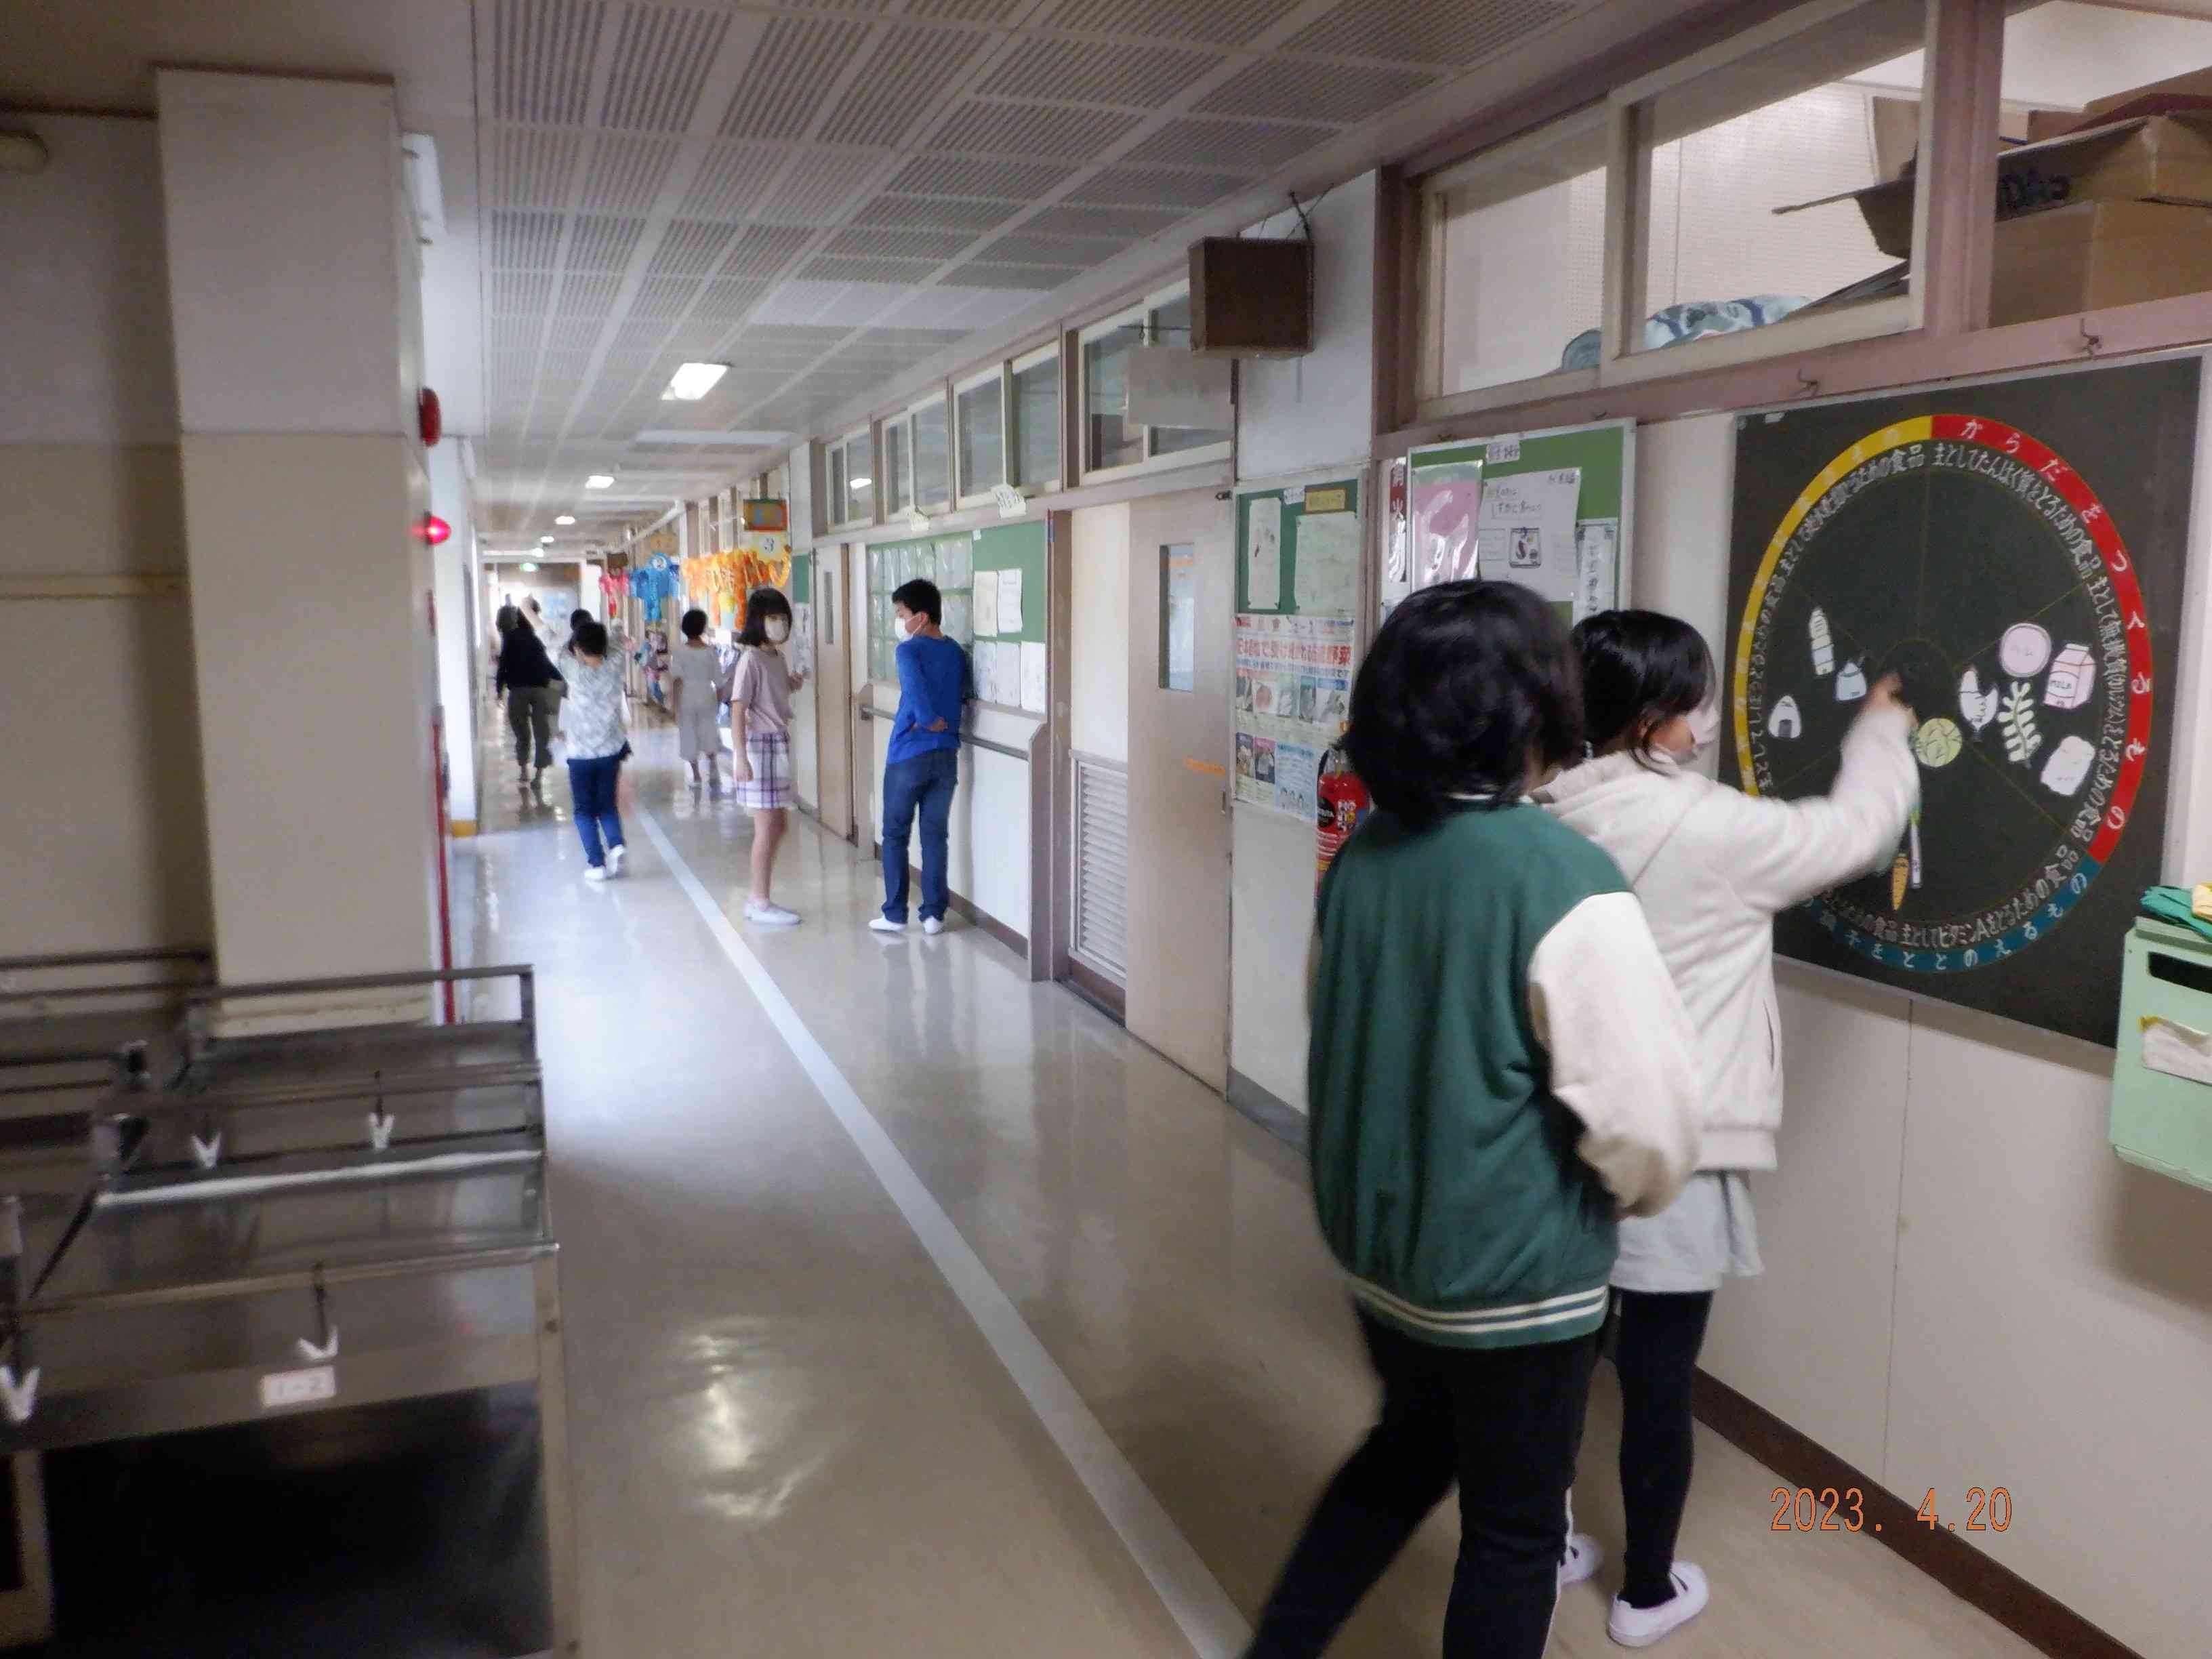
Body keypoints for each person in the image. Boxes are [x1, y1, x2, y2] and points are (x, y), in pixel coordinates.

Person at [1247, 582, 1702, 1659]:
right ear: (1536, 709)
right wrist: (1626, 1200)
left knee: (1404, 1454)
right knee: (1514, 1531)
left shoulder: (1365, 855)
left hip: (1384, 1260)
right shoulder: (1563, 876)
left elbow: (1333, 1023)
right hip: (1518, 1283)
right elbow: (1649, 1121)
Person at [1534, 610, 1917, 1647]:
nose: (1707, 721)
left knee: (1562, 1360)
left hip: (1562, 1136)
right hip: (1679, 1146)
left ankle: (1547, 1544)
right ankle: (1646, 1592)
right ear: (1653, 718)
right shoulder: (1711, 828)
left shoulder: (1546, 815)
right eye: (1694, 702)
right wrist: (1880, 729)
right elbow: (1853, 834)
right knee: (1658, 1383)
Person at [870, 579, 969, 937]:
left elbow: (915, 693)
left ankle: (895, 914)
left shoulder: (908, 651)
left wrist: (925, 720)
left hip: (909, 755)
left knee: (895, 833)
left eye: (902, 614)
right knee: (935, 835)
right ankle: (933, 916)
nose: (899, 621)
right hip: (946, 755)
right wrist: (940, 725)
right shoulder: (956, 652)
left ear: (922, 617)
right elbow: (958, 696)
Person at [729, 587, 806, 926]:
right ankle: (759, 902)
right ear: (758, 621)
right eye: (773, 617)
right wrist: (740, 757)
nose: (779, 624)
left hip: (778, 742)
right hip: (759, 747)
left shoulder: (776, 657)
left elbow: (771, 693)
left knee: (778, 824)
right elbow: (738, 708)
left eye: (783, 618)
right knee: (767, 826)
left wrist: (791, 684)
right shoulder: (750, 659)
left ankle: (759, 897)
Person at [560, 619, 630, 882]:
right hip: (610, 750)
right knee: (607, 805)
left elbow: (551, 643)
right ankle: (616, 843)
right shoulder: (616, 663)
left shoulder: (573, 671)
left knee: (583, 811)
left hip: (580, 754)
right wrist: (616, 623)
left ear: (578, 649)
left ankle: (597, 864)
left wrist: (526, 610)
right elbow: (617, 638)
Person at [494, 606, 563, 788]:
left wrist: (499, 689)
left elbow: (504, 664)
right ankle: (539, 776)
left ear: (517, 619)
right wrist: (561, 680)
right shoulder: (537, 638)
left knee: (521, 733)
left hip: (518, 690)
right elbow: (547, 663)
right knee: (542, 733)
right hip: (540, 690)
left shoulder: (510, 638)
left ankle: (524, 770)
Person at [668, 608, 726, 793]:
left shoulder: (679, 651)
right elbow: (719, 682)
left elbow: (677, 680)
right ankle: (714, 768)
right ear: (702, 627)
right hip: (707, 695)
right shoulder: (710, 652)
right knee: (709, 731)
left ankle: (696, 776)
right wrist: (718, 702)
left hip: (687, 696)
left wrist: (674, 704)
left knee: (689, 734)